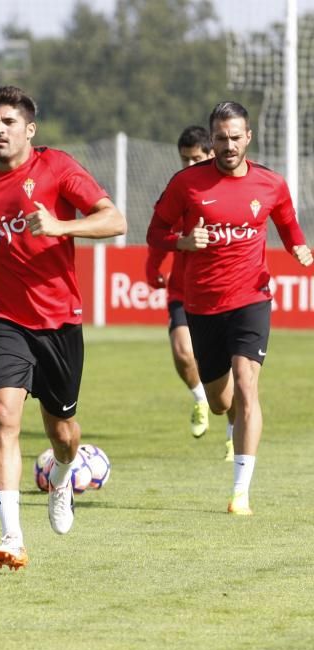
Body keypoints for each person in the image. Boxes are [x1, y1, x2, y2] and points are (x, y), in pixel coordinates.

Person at [0, 86, 126, 570]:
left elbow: (114, 220)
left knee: (63, 431)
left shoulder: (57, 168)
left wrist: (59, 228)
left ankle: (64, 474)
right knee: (4, 416)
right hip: (4, 316)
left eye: (9, 122)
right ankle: (11, 536)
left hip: (59, 320)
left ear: (30, 130)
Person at [148, 101, 311, 516]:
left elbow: (289, 225)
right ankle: (227, 418)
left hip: (252, 299)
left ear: (248, 137)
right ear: (212, 139)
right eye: (220, 138)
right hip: (202, 305)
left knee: (247, 382)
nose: (227, 145)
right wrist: (181, 242)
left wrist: (299, 249)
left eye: (235, 137)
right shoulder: (187, 184)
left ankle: (241, 492)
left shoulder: (270, 184)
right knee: (223, 401)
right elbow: (156, 231)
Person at [146, 126, 235, 460]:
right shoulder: (181, 188)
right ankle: (199, 399)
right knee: (183, 352)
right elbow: (160, 228)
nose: (189, 164)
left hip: (226, 293)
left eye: (195, 158)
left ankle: (232, 433)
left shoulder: (232, 186)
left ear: (211, 153)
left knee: (231, 373)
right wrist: (153, 267)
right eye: (184, 159)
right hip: (183, 290)